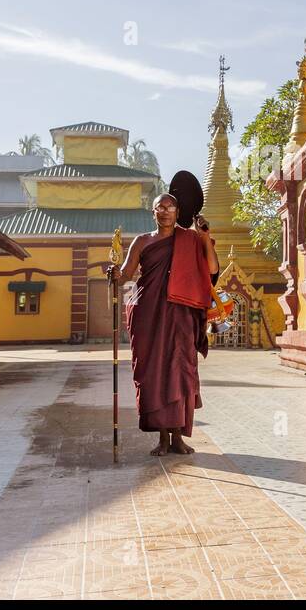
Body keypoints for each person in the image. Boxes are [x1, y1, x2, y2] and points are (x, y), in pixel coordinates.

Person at [110, 192, 219, 456]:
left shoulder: (191, 239)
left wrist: (204, 236)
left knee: (181, 371)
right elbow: (125, 274)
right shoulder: (142, 241)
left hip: (181, 313)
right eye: (160, 207)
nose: (166, 211)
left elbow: (212, 269)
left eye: (170, 207)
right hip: (149, 312)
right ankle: (161, 438)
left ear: (178, 211)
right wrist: (114, 274)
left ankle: (178, 438)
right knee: (154, 373)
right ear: (153, 212)